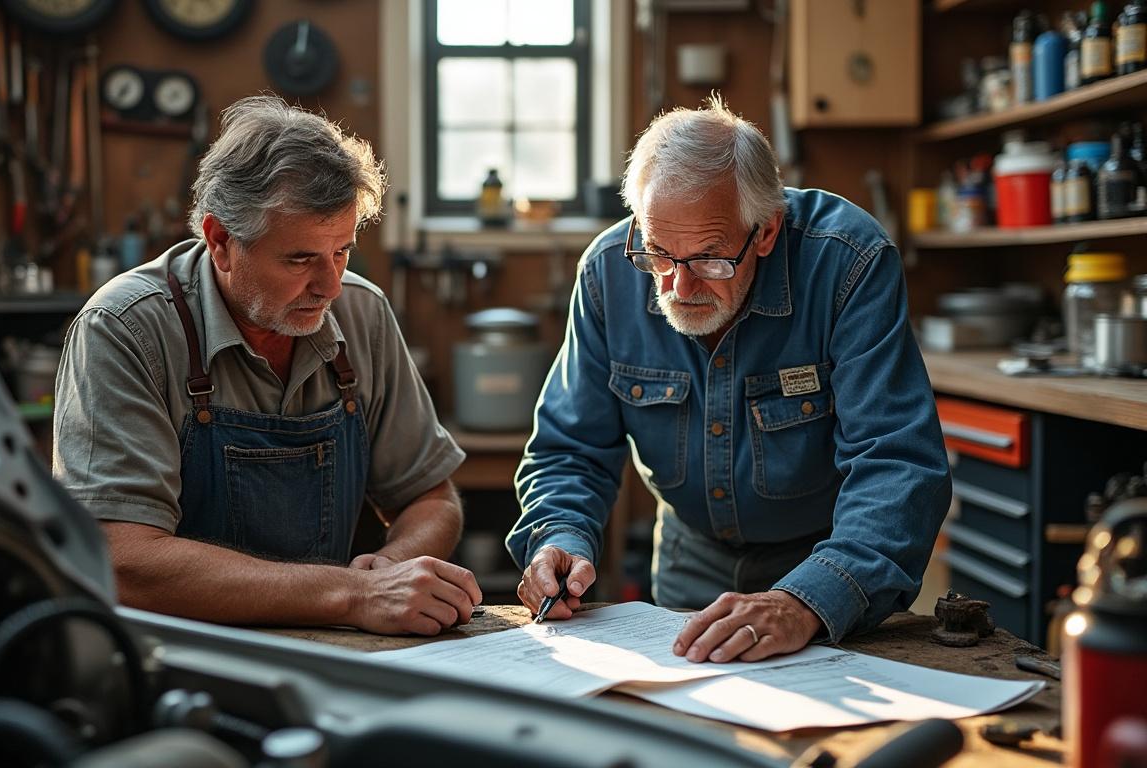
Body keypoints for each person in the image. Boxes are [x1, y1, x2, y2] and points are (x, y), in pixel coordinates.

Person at [508, 96, 950, 663]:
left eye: (711, 260)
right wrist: (559, 536)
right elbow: (570, 449)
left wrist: (806, 601)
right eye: (659, 255)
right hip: (692, 554)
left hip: (829, 555)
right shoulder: (605, 273)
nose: (678, 288)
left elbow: (897, 461)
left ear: (765, 232)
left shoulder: (849, 262)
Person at [53, 95, 480, 636]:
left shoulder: (361, 312)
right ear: (221, 241)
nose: (328, 286)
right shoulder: (125, 328)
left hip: (327, 649)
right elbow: (121, 559)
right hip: (174, 656)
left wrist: (393, 568)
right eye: (299, 259)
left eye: (342, 252)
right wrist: (352, 594)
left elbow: (431, 497)